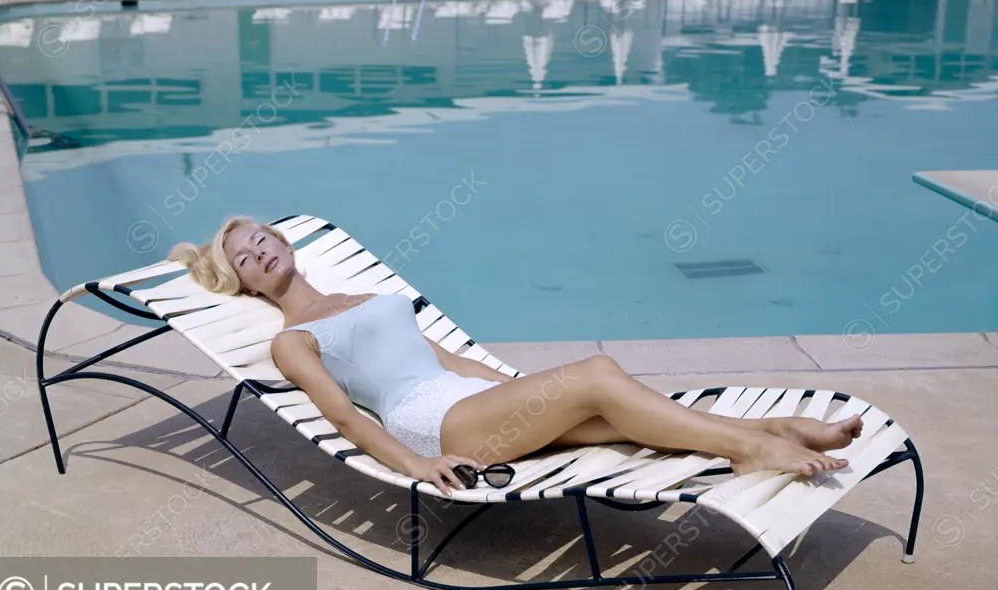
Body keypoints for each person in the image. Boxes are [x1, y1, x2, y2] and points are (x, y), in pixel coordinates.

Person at [170, 217, 862, 497]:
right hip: (435, 426)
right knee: (597, 373)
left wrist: (524, 388)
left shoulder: (361, 295)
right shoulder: (292, 340)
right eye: (243, 257)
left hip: (468, 400)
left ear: (284, 244)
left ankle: (767, 434)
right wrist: (417, 464)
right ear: (247, 283)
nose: (259, 248)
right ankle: (753, 448)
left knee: (611, 402)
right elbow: (348, 421)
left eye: (261, 237)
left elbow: (439, 352)